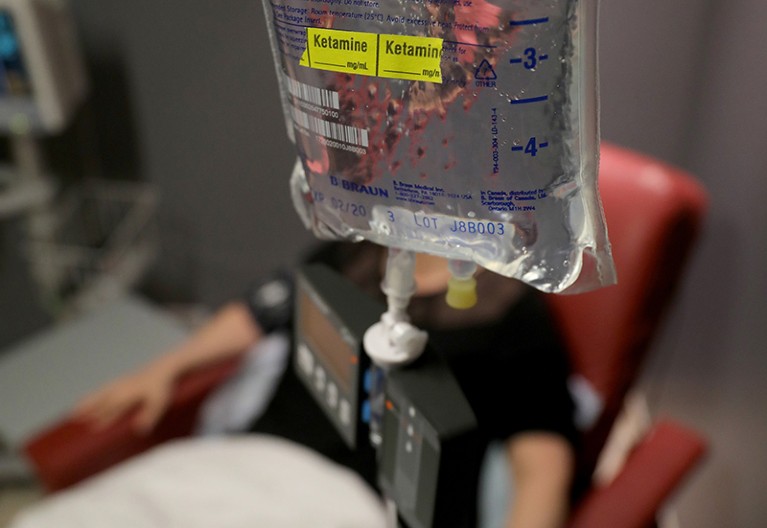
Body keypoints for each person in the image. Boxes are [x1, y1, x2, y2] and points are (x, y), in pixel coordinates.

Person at [73, 241, 577, 528]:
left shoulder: (509, 314)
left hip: (360, 506)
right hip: (248, 466)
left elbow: (542, 468)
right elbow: (258, 311)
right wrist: (166, 368)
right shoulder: (347, 254)